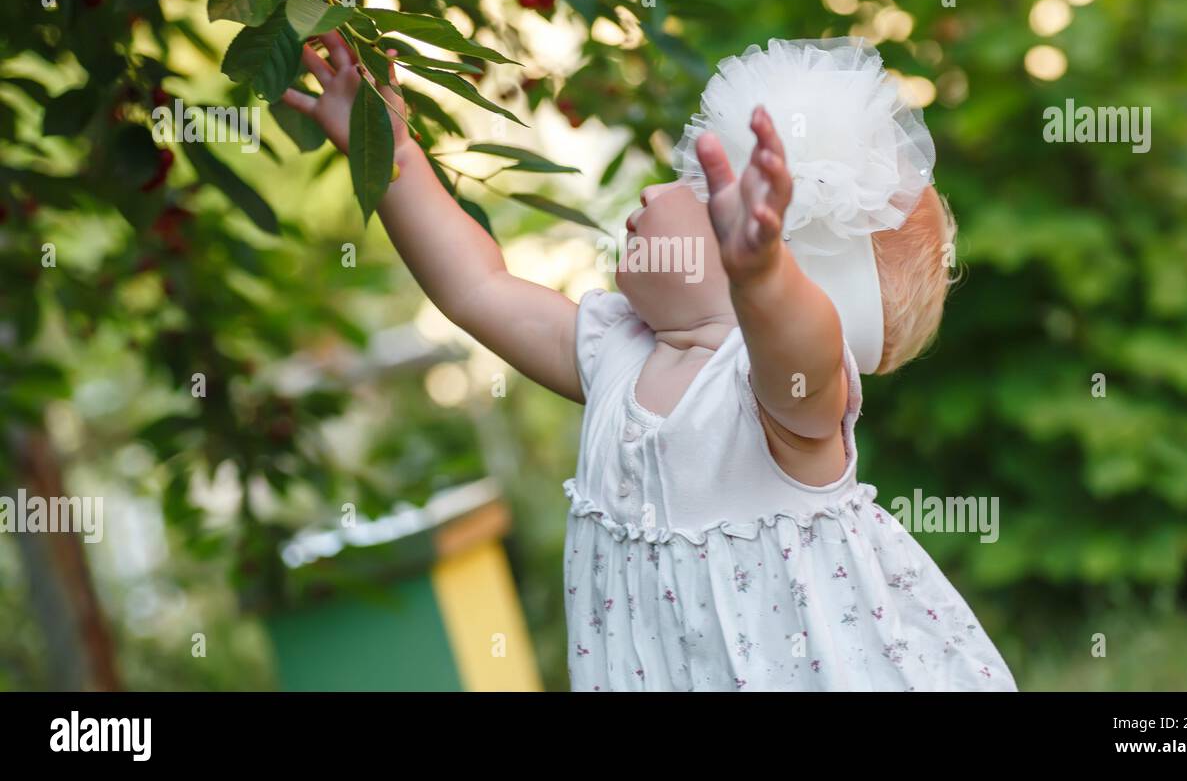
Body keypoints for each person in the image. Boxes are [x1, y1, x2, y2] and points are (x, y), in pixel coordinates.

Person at [281, 34, 1017, 691]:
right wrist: (393, 155)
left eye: (695, 187)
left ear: (771, 252)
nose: (653, 190)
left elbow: (803, 344)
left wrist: (762, 278)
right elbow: (478, 288)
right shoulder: (614, 353)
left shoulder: (781, 405)